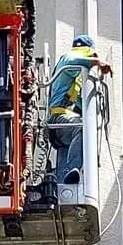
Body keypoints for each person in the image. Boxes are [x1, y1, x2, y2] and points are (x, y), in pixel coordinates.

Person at [42, 35, 100, 192]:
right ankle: (71, 170)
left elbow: (81, 103)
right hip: (58, 119)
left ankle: (62, 189)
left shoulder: (75, 80)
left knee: (64, 175)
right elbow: (73, 61)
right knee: (82, 128)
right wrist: (96, 62)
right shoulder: (67, 60)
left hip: (62, 126)